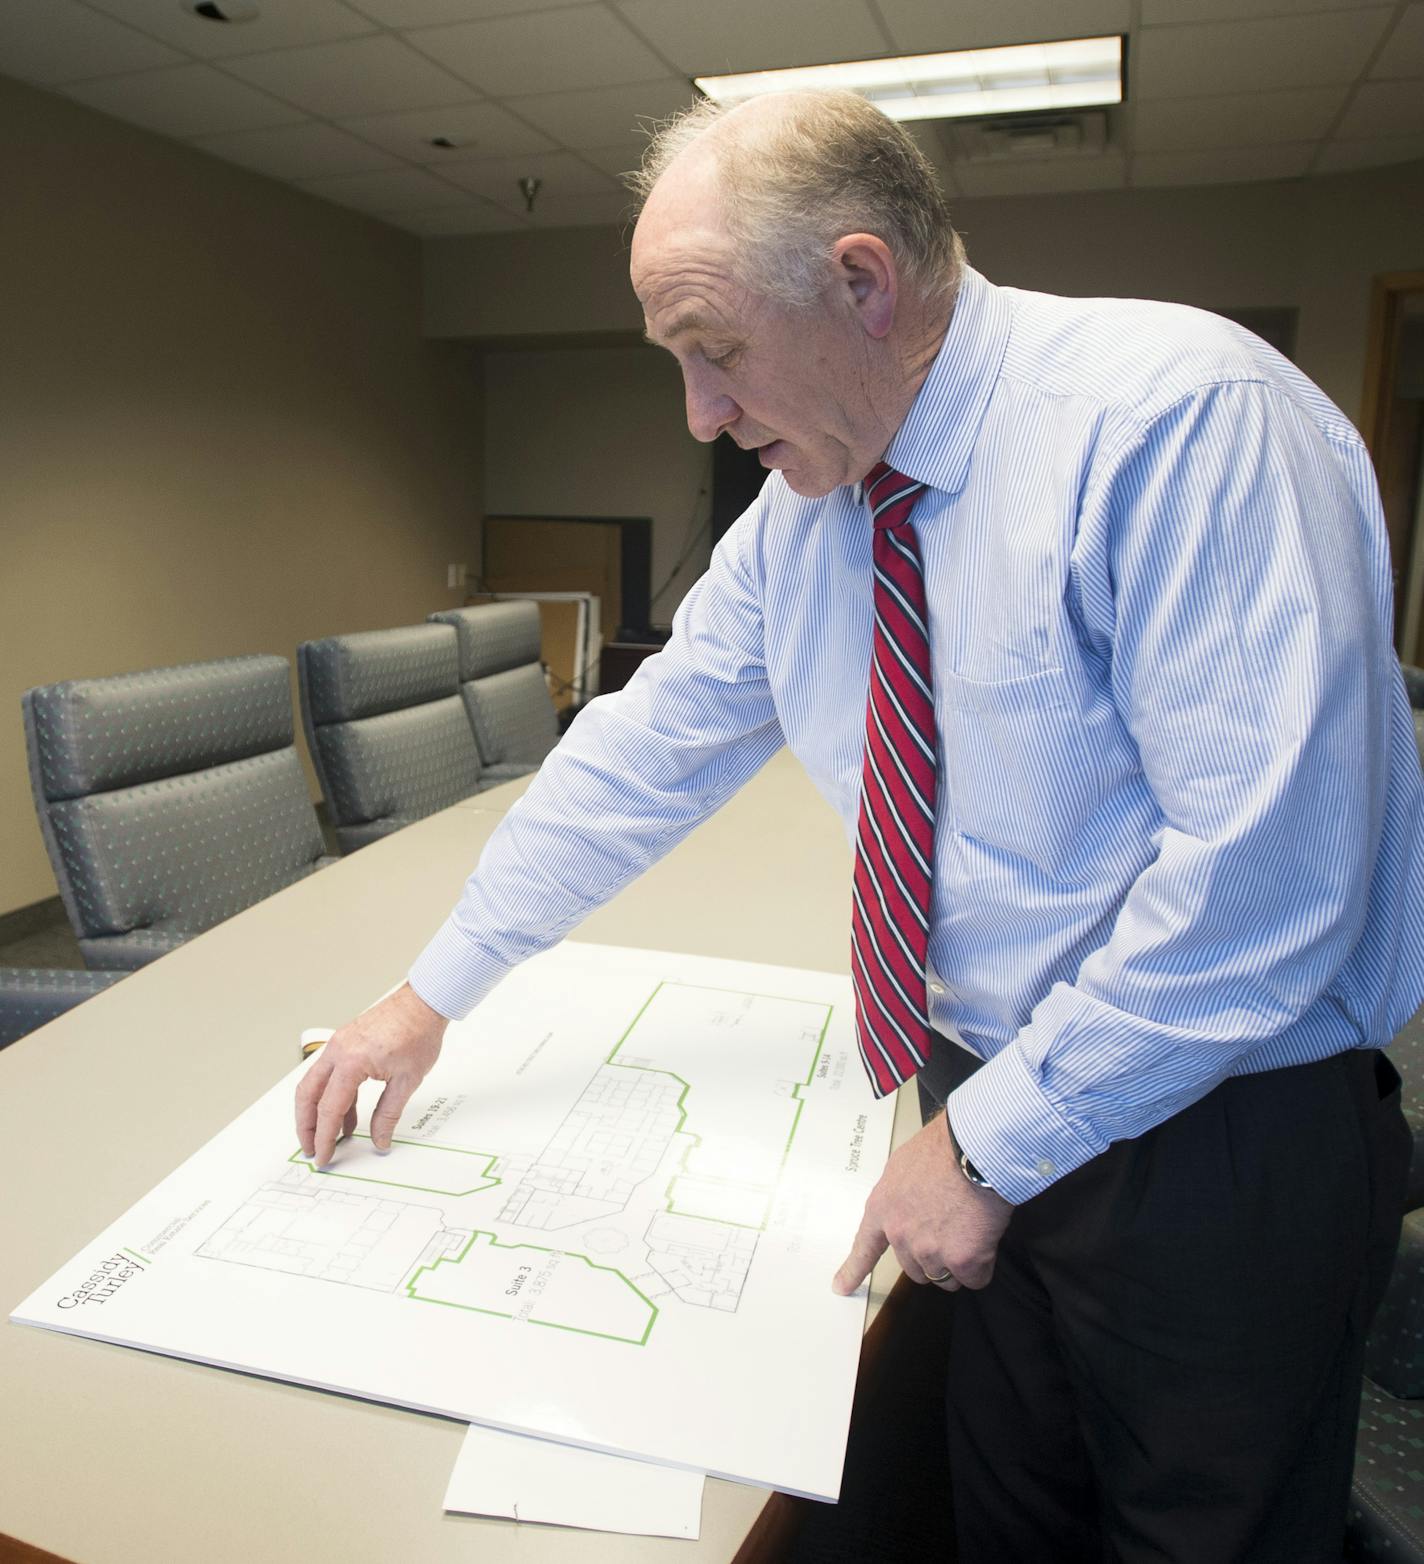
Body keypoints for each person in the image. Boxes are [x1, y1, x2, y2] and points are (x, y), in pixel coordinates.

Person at [296, 90, 1424, 1561]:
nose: (700, 413)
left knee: (1202, 1539)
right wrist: (423, 998)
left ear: (861, 282)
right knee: (1012, 1514)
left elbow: (1271, 888)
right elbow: (633, 760)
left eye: (715, 353)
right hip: (987, 1098)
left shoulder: (1180, 423)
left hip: (1218, 1130)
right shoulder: (802, 523)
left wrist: (977, 1152)